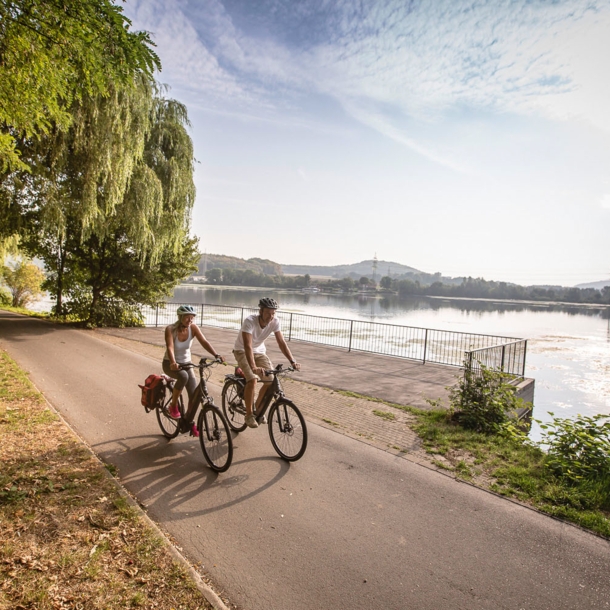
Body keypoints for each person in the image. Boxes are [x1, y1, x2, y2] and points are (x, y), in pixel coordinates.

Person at [233, 297, 300, 428]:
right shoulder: (250, 321)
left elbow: (281, 343)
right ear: (261, 311)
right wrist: (253, 367)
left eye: (273, 313)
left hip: (260, 352)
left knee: (270, 380)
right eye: (268, 313)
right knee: (252, 379)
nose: (271, 316)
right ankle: (249, 415)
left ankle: (258, 408)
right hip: (241, 350)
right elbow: (247, 345)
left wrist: (292, 361)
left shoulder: (275, 322)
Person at [163, 304, 224, 436]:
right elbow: (170, 347)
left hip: (187, 363)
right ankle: (173, 406)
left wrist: (216, 355)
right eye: (187, 317)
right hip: (170, 363)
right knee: (183, 377)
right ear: (180, 317)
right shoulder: (170, 329)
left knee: (195, 396)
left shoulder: (193, 328)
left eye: (192, 318)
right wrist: (173, 362)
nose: (190, 320)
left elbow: (204, 342)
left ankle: (188, 422)